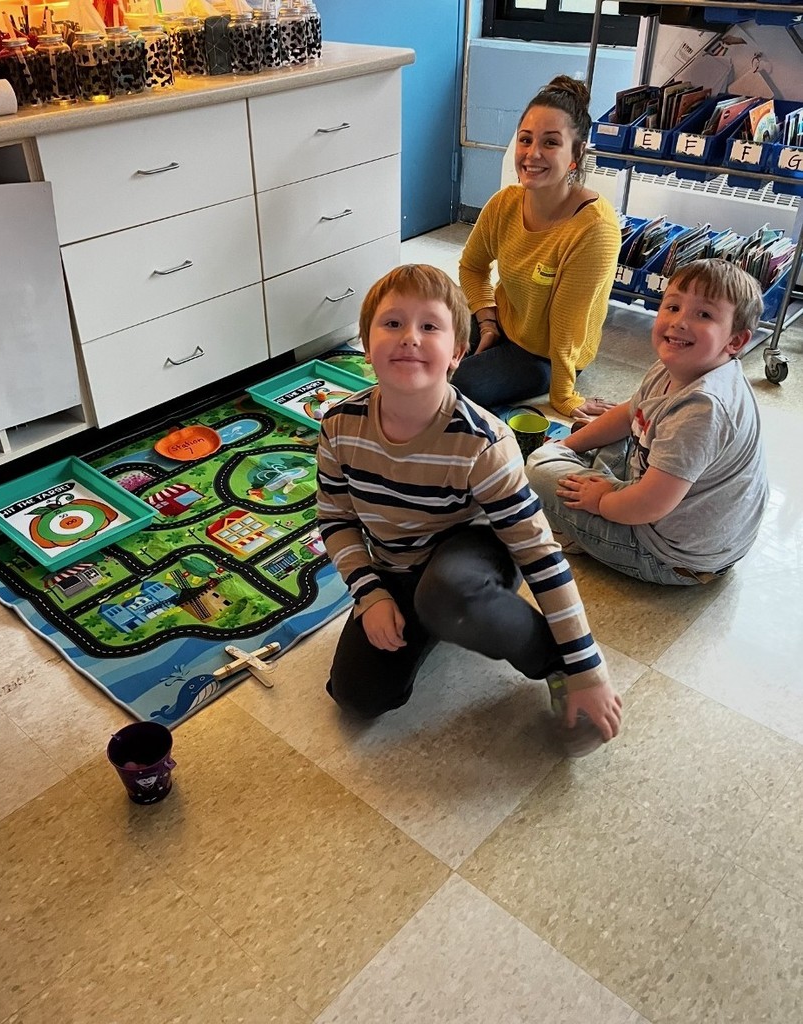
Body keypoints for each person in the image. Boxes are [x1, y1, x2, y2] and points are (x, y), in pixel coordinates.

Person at [316, 264, 622, 752]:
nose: (410, 337)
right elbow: (336, 519)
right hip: (397, 565)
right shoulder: (339, 426)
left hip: (476, 554)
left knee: (449, 593)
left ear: (458, 353)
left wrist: (586, 666)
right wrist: (370, 594)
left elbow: (538, 553)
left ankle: (552, 661)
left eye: (429, 326)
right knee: (357, 697)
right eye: (392, 323)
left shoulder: (483, 441)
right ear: (366, 345)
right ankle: (433, 613)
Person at [526, 259, 769, 585]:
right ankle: (593, 483)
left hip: (669, 556)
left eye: (704, 315)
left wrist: (601, 501)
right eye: (673, 307)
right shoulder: (678, 362)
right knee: (598, 433)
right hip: (684, 514)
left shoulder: (703, 409)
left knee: (537, 467)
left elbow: (651, 504)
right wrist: (567, 446)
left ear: (735, 342)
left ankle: (580, 529)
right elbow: (632, 413)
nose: (679, 322)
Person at [451, 75, 621, 421]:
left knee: (461, 384)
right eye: (525, 140)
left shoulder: (595, 228)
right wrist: (487, 321)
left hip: (545, 354)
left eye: (551, 143)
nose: (533, 154)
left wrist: (564, 396)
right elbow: (472, 266)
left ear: (576, 154)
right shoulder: (506, 202)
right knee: (431, 342)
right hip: (503, 321)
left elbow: (567, 325)